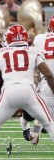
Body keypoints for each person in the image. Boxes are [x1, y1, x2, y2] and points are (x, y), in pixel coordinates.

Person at [0, 25, 54, 160]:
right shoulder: (33, 51)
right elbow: (49, 75)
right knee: (49, 124)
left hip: (8, 92)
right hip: (28, 91)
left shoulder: (0, 52)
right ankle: (34, 129)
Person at [27, 15, 54, 145]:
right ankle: (37, 129)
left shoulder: (40, 38)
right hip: (47, 82)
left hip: (47, 82)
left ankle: (35, 131)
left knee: (45, 115)